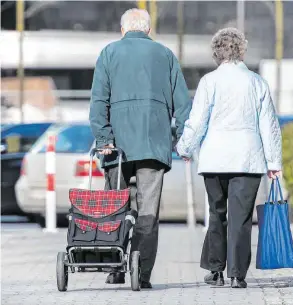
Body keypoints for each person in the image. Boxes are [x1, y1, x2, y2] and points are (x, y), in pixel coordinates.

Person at [89, 8, 191, 288]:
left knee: (115, 206)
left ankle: (115, 268)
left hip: (116, 149)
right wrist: (182, 139)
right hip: (153, 145)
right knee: (148, 210)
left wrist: (103, 138)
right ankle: (142, 273)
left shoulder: (109, 53)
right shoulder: (166, 55)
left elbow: (98, 101)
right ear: (148, 30)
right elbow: (183, 104)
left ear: (123, 30)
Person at [176, 27, 282, 288]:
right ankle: (237, 274)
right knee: (241, 217)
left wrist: (185, 147)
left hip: (215, 158)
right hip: (248, 158)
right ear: (241, 50)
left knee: (217, 213)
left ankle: (216, 271)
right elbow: (269, 125)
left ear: (216, 52)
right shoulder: (257, 82)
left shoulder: (209, 82)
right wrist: (274, 162)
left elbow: (197, 119)